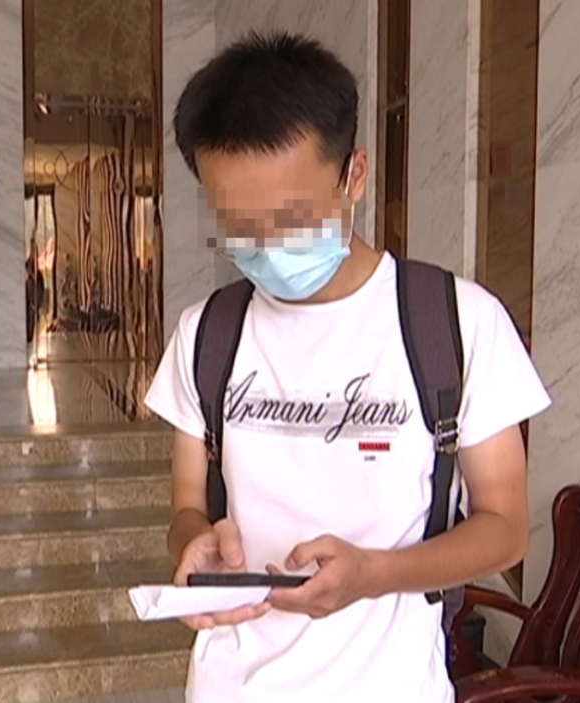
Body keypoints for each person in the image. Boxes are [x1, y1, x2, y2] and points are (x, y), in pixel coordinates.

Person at [144, 32, 552, 703]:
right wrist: (195, 542)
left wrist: (373, 574)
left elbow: (505, 529)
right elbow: (188, 504)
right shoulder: (206, 335)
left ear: (353, 176)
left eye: (291, 216)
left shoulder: (457, 323)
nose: (266, 243)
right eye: (239, 223)